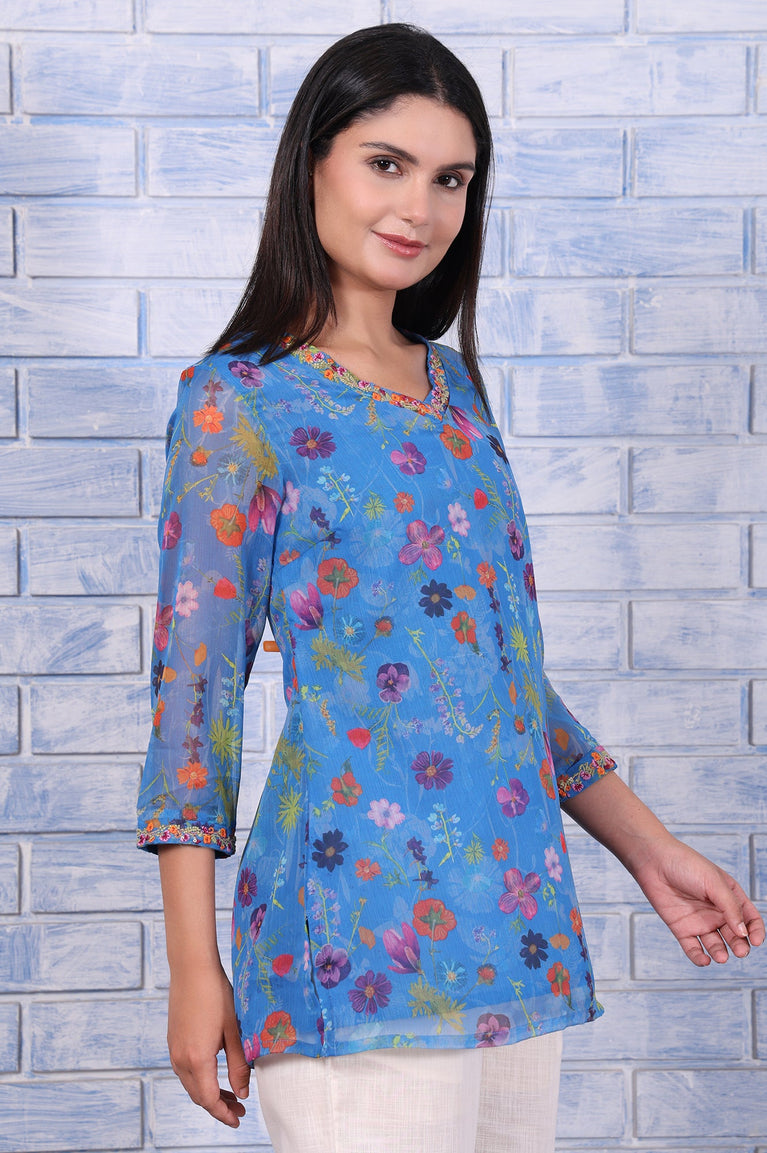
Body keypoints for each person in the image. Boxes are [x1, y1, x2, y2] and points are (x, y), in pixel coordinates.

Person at [136, 24, 765, 1153]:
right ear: (311, 164)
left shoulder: (455, 389)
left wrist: (648, 849)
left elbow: (493, 675)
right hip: (354, 941)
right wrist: (194, 966)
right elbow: (195, 699)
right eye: (386, 163)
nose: (419, 208)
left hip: (513, 934)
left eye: (450, 179)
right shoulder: (240, 401)